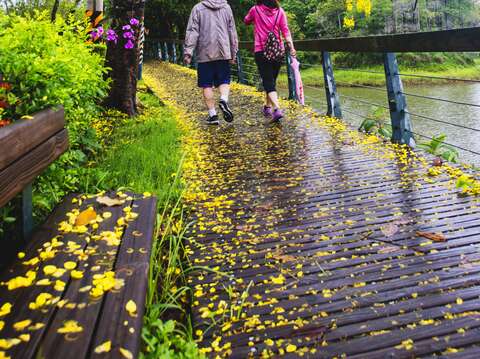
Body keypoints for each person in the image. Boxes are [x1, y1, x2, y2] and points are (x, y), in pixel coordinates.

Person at [184, 0, 239, 125]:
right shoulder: (226, 8)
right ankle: (224, 100)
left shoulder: (198, 8)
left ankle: (213, 115)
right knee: (224, 80)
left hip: (205, 54)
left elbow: (193, 32)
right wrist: (233, 51)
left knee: (206, 84)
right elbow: (232, 32)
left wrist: (188, 52)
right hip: (223, 52)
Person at [244, 0, 296, 122]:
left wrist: (255, 21)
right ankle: (267, 107)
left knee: (268, 81)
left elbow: (246, 21)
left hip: (261, 50)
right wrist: (292, 47)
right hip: (278, 51)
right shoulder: (280, 11)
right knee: (271, 80)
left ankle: (277, 109)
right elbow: (285, 31)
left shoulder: (255, 10)